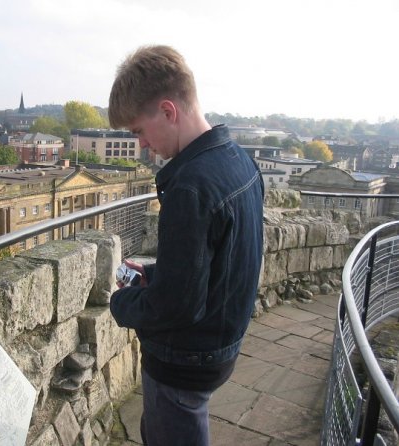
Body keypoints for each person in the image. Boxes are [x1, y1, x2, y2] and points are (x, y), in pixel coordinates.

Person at [108, 45, 264, 446]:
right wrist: (158, 274)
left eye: (138, 131)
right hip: (221, 343)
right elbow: (218, 260)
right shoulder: (239, 161)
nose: (141, 145)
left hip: (185, 360)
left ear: (168, 111)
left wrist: (120, 304)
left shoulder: (190, 186)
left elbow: (176, 305)